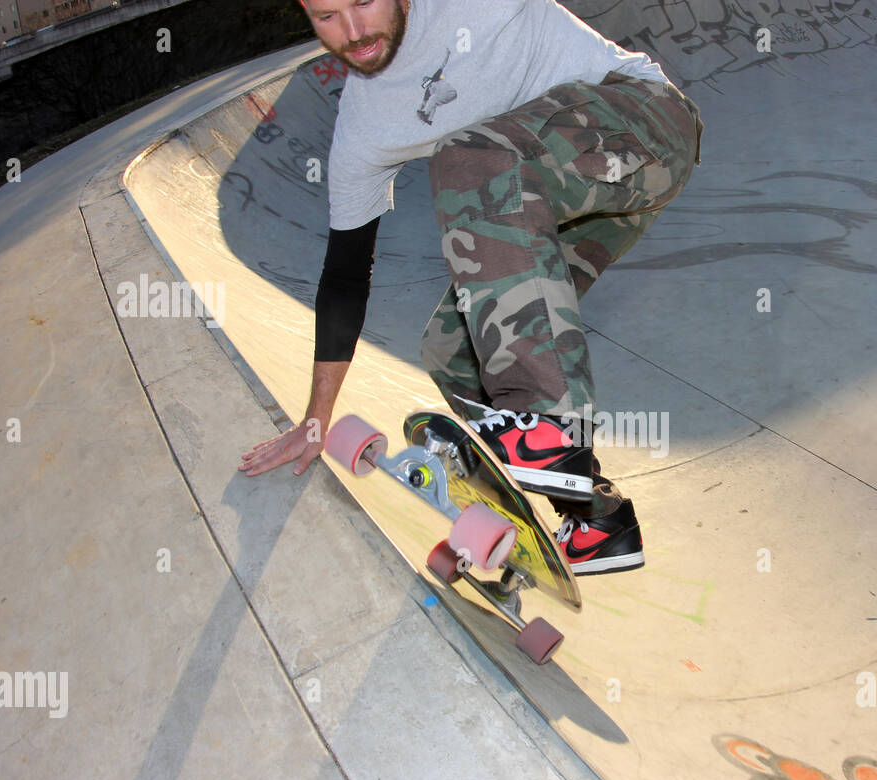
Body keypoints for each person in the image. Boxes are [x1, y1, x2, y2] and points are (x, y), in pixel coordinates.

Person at [240, 0, 703, 574]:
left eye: (364, 3)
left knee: (469, 159)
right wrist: (316, 419)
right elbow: (343, 277)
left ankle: (548, 420)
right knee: (453, 351)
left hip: (647, 123)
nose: (353, 33)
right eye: (327, 16)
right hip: (578, 201)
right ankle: (595, 521)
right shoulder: (364, 130)